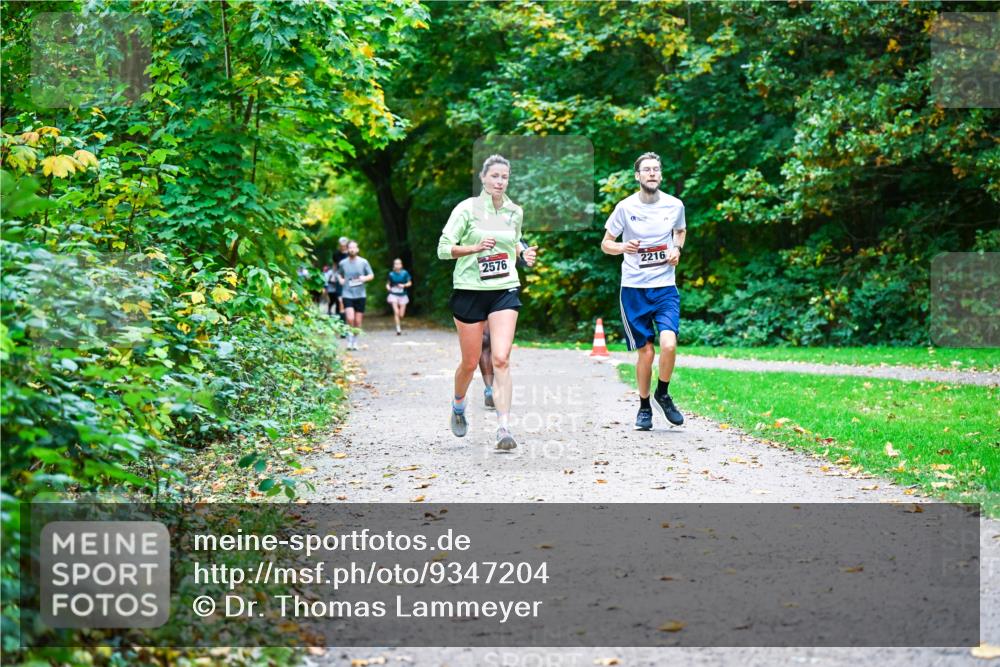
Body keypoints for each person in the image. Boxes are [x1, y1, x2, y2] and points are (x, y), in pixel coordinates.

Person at [437, 155, 537, 450]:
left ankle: (503, 428)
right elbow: (444, 249)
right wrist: (475, 248)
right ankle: (458, 404)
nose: (500, 181)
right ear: (483, 178)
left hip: (504, 288)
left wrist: (524, 254)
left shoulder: (514, 211)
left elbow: (516, 240)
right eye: (494, 176)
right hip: (469, 290)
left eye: (504, 177)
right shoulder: (467, 209)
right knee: (469, 363)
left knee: (501, 358)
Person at [600, 151, 687, 431]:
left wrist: (677, 249)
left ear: (660, 175)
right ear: (637, 176)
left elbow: (680, 230)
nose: (652, 173)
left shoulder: (674, 205)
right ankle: (644, 405)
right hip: (634, 289)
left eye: (656, 170)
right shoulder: (625, 208)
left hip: (664, 287)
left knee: (669, 344)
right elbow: (606, 243)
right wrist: (623, 247)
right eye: (646, 170)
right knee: (646, 352)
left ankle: (663, 392)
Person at [337, 240, 374, 350]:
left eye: (354, 248)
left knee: (358, 321)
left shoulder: (363, 262)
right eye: (350, 248)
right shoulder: (343, 263)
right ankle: (349, 341)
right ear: (347, 250)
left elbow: (371, 275)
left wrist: (365, 278)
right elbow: (339, 274)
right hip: (347, 293)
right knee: (350, 318)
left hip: (360, 294)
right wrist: (341, 280)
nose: (352, 249)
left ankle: (355, 341)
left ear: (357, 249)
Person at [386, 258, 413, 335]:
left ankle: (399, 322)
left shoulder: (405, 273)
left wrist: (403, 285)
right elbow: (388, 284)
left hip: (403, 295)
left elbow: (410, 283)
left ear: (401, 265)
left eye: (399, 263)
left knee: (401, 314)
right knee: (396, 312)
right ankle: (398, 329)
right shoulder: (391, 274)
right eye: (396, 264)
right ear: (394, 265)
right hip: (393, 294)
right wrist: (388, 287)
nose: (397, 265)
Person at [333, 237, 350, 324]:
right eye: (341, 245)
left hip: (350, 280)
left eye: (344, 245)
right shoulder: (336, 254)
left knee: (348, 301)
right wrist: (333, 276)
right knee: (340, 301)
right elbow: (335, 266)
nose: (343, 247)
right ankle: (343, 325)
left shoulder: (351, 253)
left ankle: (349, 322)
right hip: (340, 279)